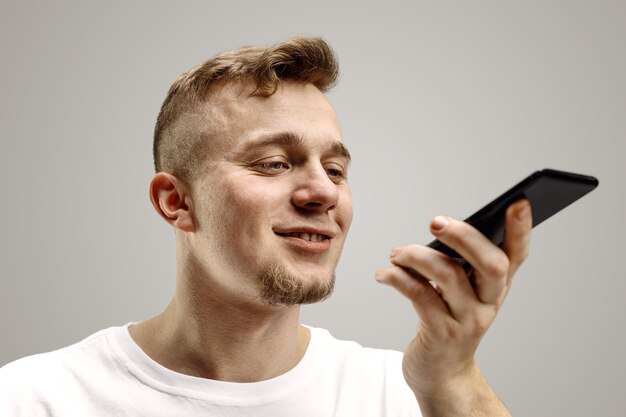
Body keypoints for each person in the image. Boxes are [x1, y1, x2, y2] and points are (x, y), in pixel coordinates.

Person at [0, 37, 532, 416]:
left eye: (336, 169)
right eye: (274, 163)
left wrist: (454, 378)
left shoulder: (408, 395)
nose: (323, 192)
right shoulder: (33, 399)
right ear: (175, 201)